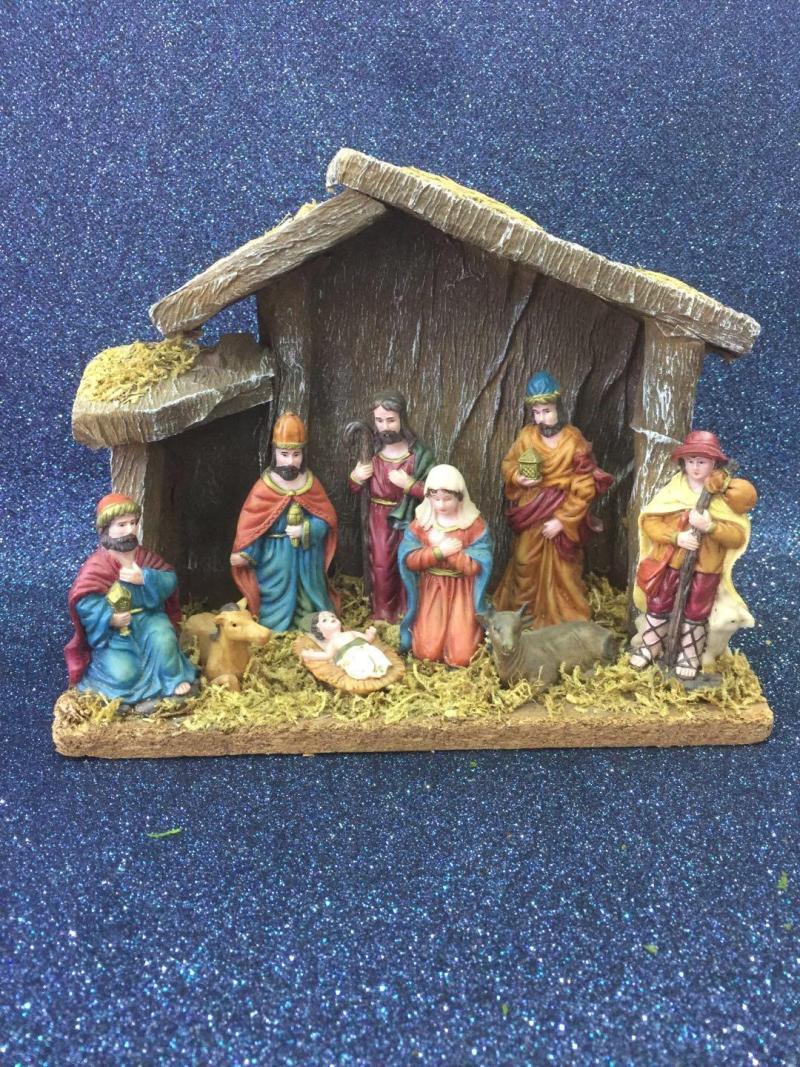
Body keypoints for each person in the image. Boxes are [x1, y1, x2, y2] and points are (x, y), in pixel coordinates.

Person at [629, 430, 757, 680]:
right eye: (691, 461)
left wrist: (710, 527)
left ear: (714, 464)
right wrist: (676, 537)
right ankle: (650, 645)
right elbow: (651, 522)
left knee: (697, 610)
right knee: (659, 602)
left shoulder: (725, 495)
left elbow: (737, 536)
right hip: (671, 561)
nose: (696, 468)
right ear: (683, 462)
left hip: (706, 567)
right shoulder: (673, 490)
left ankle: (690, 655)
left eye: (702, 462)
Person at [493, 371, 612, 628]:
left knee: (565, 569)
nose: (541, 418)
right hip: (532, 510)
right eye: (536, 412)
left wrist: (562, 521)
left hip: (563, 512)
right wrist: (517, 477)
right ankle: (524, 618)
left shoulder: (573, 440)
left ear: (559, 408)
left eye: (546, 411)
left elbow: (584, 486)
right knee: (524, 560)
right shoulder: (527, 436)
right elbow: (509, 464)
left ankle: (566, 621)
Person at [64, 494, 197, 710]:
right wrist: (111, 618)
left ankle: (172, 681)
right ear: (106, 529)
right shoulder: (98, 565)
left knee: (164, 639)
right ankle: (119, 693)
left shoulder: (145, 558)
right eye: (122, 525)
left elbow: (169, 579)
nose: (130, 529)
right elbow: (84, 601)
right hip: (117, 631)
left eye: (133, 523)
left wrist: (145, 578)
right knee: (123, 674)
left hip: (149, 617)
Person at [230, 412, 339, 631]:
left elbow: (326, 520)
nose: (290, 461)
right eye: (284, 454)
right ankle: (275, 628)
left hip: (307, 558)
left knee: (308, 600)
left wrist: (306, 529)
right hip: (275, 558)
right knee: (273, 599)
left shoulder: (310, 483)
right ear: (275, 453)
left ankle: (310, 627)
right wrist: (246, 553)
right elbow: (254, 527)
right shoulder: (264, 488)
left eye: (296, 454)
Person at [348, 389, 435, 622]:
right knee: (382, 566)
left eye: (390, 420)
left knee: (410, 562)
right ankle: (384, 614)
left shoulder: (419, 454)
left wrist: (410, 485)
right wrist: (356, 477)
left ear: (402, 419)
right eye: (379, 421)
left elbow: (436, 492)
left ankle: (409, 612)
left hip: (411, 517)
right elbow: (355, 488)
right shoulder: (372, 451)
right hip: (379, 518)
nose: (385, 427)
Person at [398, 465, 493, 667]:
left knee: (462, 656)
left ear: (460, 497)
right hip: (432, 589)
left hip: (462, 591)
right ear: (428, 497)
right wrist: (438, 552)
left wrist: (453, 555)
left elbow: (476, 567)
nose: (441, 505)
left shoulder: (474, 526)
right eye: (436, 498)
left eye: (447, 499)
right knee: (426, 652)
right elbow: (409, 560)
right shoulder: (422, 524)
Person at [301, 611, 392, 680]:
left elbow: (367, 639)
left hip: (366, 649)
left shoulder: (351, 632)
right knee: (361, 663)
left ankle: (381, 667)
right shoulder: (332, 642)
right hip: (352, 657)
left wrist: (370, 634)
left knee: (376, 654)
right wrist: (311, 655)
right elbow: (327, 655)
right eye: (324, 620)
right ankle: (368, 673)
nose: (331, 618)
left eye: (332, 616)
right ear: (319, 630)